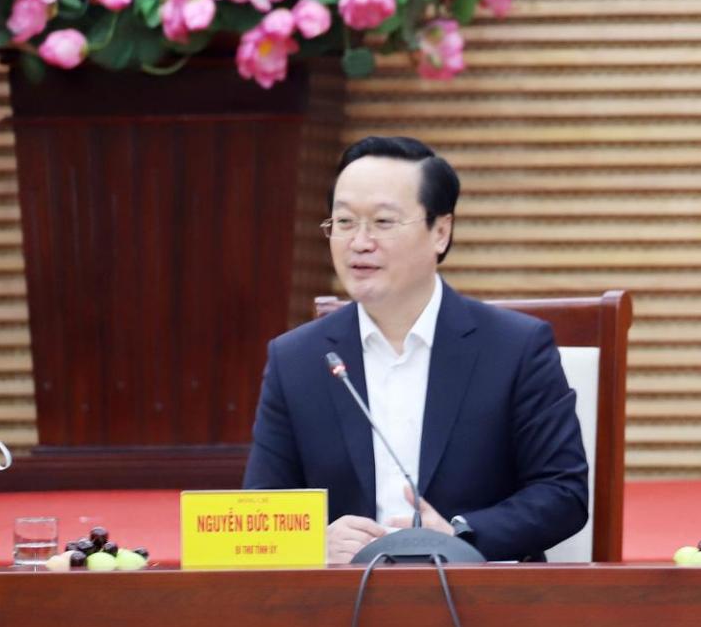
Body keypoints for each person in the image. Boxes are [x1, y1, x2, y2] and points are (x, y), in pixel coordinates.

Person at [242, 136, 589, 564]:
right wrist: (313, 542)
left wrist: (459, 534)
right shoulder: (296, 359)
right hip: (341, 607)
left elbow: (562, 494)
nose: (359, 242)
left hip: (478, 603)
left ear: (440, 232)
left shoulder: (516, 348)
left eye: (383, 222)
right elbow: (262, 508)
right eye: (345, 222)